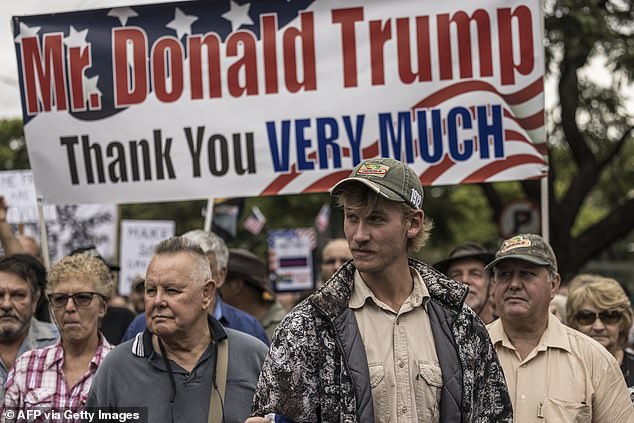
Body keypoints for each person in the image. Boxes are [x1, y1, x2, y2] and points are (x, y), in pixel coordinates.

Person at [249, 158, 512, 422]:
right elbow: (275, 416)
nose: (360, 234)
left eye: (376, 219)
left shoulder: (460, 323)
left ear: (413, 223)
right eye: (352, 217)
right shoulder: (308, 326)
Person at [87, 236, 268, 423]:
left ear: (206, 293)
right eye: (150, 290)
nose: (157, 301)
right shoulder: (116, 368)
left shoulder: (253, 356)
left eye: (171, 290)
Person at [486, 233, 634, 421]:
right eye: (505, 274)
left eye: (527, 273)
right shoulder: (468, 350)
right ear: (494, 284)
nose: (514, 284)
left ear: (554, 284)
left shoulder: (594, 360)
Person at [2, 253, 114, 414]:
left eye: (82, 298)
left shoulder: (123, 369)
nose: (69, 307)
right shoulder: (26, 366)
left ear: (102, 307)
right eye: (60, 299)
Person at [121, 230, 268, 345]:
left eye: (206, 269)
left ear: (220, 276)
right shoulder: (141, 326)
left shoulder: (249, 329)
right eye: (151, 290)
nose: (159, 301)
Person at [0, 255, 58, 401]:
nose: (6, 305)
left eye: (18, 295)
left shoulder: (60, 343)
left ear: (35, 300)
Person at [565, 276, 634, 399]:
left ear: (623, 322)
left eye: (609, 316)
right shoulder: (560, 369)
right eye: (586, 317)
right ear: (573, 323)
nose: (598, 326)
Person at [220, 249, 287, 342]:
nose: (215, 288)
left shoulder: (284, 329)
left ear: (236, 285)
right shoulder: (225, 322)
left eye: (221, 281)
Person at [433, 242, 496, 323]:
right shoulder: (436, 331)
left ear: (492, 286)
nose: (464, 280)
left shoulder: (509, 332)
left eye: (475, 274)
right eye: (456, 275)